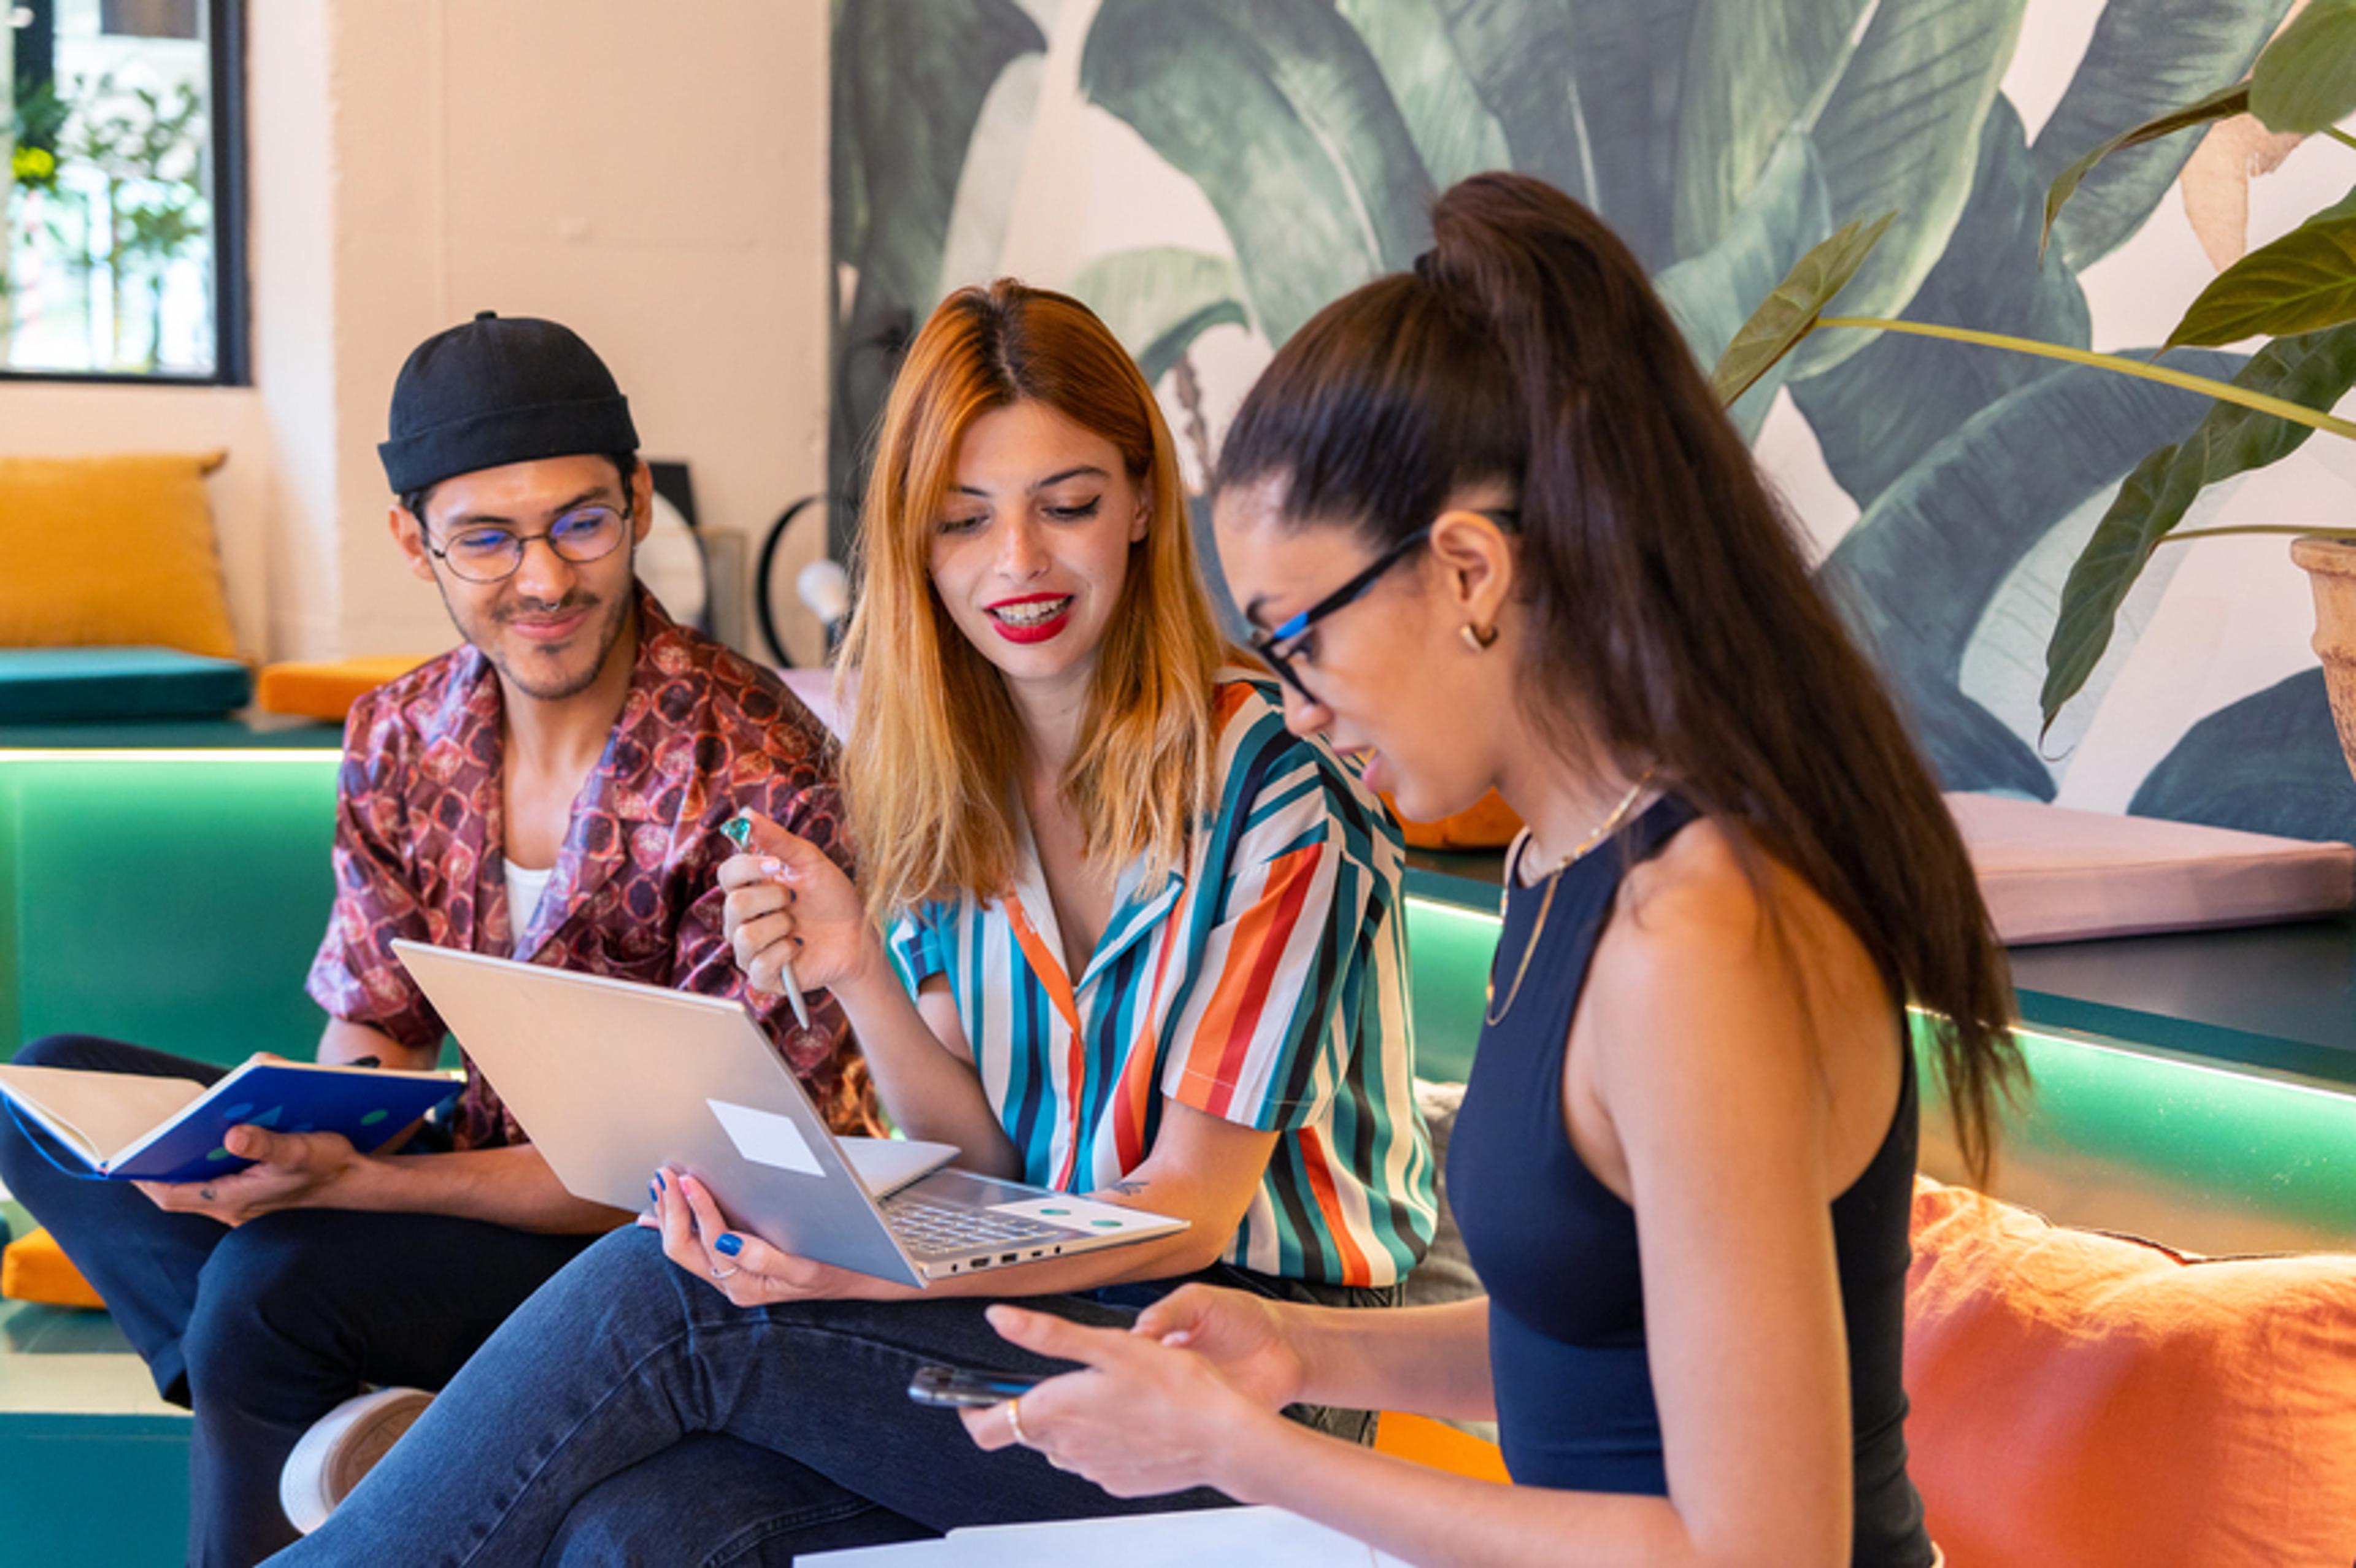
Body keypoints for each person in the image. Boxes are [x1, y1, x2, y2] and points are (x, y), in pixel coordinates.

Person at [263, 279, 1436, 1567]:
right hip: (1043, 1329)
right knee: (640, 1526)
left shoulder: (1279, 797)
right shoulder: (944, 791)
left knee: (662, 1303)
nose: (1020, 565)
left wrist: (882, 1274)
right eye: (964, 520)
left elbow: (1188, 1214)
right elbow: (974, 1154)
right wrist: (862, 973)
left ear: (1147, 501)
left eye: (1070, 505)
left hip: (1254, 1378)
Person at [949, 173, 2026, 1567]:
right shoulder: (1557, 864)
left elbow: (1759, 1553)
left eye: (1298, 641)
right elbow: (1591, 1347)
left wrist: (1238, 1455)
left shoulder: (1692, 938)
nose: (1296, 705)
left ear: (1466, 572)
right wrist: (1292, 1353)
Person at [0, 312, 864, 1568]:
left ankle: (383, 1431)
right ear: (415, 541)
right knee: (51, 1094)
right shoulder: (399, 733)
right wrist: (308, 1139)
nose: (547, 580)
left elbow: (699, 1169)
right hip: (456, 1186)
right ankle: (376, 1429)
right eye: (487, 538)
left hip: (650, 1259)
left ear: (635, 502)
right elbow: (376, 1022)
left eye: (582, 521)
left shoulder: (757, 763)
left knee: (269, 1290)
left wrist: (352, 1190)